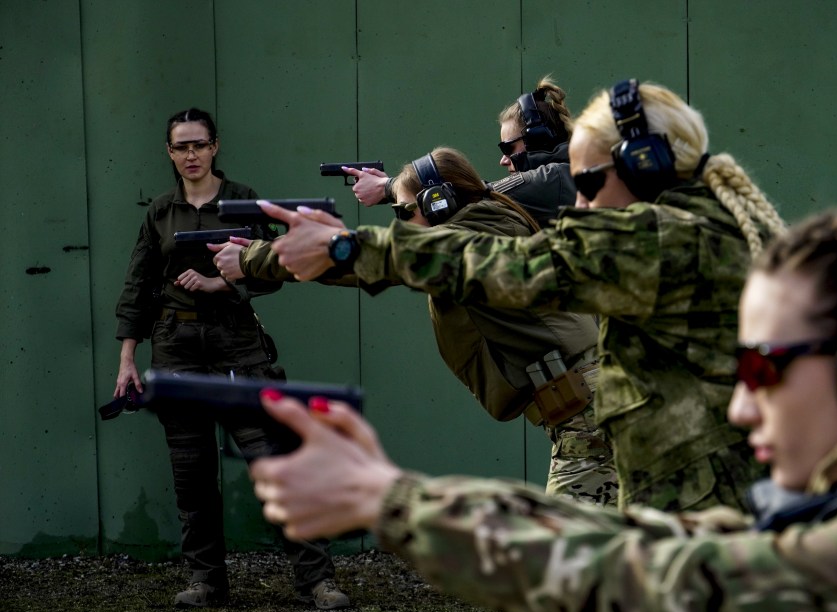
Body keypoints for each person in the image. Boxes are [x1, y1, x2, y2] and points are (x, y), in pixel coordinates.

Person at [250, 202, 837, 612]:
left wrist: (387, 499)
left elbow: (655, 578)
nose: (742, 406)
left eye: (765, 367)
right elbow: (645, 539)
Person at [254, 78, 787, 512]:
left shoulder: (652, 242)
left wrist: (343, 250)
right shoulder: (708, 227)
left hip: (691, 473)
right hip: (686, 467)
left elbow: (495, 263)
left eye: (588, 183)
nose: (577, 204)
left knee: (574, 581)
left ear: (643, 165)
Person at [223, 147, 618, 510]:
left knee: (564, 558)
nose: (402, 223)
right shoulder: (489, 217)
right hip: (593, 405)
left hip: (590, 417)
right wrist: (392, 188)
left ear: (440, 202)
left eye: (403, 212)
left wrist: (255, 259)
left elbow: (379, 261)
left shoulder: (470, 238)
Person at [112, 108, 348, 610]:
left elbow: (278, 263)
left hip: (236, 341)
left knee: (274, 461)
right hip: (175, 345)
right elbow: (137, 287)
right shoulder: (160, 212)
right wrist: (127, 358)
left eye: (199, 144)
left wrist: (225, 280)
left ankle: (316, 581)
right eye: (181, 147)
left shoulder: (242, 201)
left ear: (215, 146)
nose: (191, 155)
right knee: (191, 471)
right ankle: (206, 581)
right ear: (170, 153)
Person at [346, 76, 576, 228]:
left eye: (509, 147)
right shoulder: (564, 177)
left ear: (538, 140)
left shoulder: (555, 179)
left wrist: (389, 187)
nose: (503, 160)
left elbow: (475, 194)